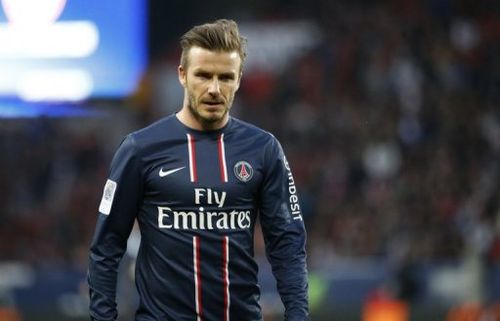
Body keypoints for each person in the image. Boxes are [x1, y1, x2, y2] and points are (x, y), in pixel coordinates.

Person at [88, 19, 309, 321]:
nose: (214, 89)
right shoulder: (139, 150)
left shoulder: (264, 150)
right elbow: (106, 247)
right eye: (203, 75)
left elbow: (288, 245)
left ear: (239, 79)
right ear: (182, 75)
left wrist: (298, 316)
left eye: (225, 77)